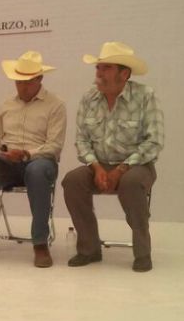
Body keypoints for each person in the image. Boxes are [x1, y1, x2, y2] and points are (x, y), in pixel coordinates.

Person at [62, 42, 163, 272]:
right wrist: (96, 167)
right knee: (73, 181)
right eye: (98, 68)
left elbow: (154, 142)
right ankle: (89, 249)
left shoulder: (145, 96)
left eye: (105, 68)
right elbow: (82, 140)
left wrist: (121, 169)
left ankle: (142, 253)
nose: (98, 73)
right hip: (99, 164)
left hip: (137, 165)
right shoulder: (89, 98)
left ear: (124, 73)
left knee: (131, 182)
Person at [0, 51, 66, 267]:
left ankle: (40, 243)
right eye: (18, 81)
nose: (22, 86)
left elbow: (54, 146)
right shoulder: (6, 105)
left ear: (39, 79)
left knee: (36, 172)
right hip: (8, 161)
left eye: (27, 81)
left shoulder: (55, 105)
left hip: (40, 161)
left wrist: (27, 154)